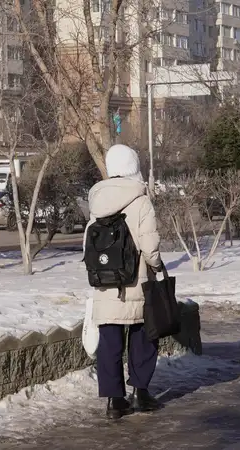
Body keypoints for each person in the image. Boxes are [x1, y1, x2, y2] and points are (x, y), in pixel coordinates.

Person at [84, 144, 164, 419]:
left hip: (106, 282)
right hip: (137, 282)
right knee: (144, 337)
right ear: (134, 166)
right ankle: (141, 393)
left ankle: (114, 401)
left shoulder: (97, 201)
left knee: (110, 343)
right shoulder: (141, 200)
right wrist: (157, 267)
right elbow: (150, 245)